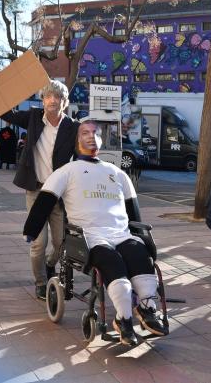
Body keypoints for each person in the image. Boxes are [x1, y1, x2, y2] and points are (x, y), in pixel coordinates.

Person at [24, 120, 169, 345]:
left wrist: (139, 233)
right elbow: (45, 201)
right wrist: (31, 230)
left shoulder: (117, 173)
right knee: (113, 262)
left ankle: (147, 309)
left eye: (95, 133)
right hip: (88, 236)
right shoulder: (66, 172)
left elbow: (133, 209)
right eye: (85, 133)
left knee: (139, 254)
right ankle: (124, 320)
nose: (91, 136)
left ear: (101, 140)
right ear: (76, 140)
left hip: (120, 233)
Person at [0, 75, 80, 300]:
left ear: (64, 101)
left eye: (57, 96)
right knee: (39, 243)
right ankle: (40, 282)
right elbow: (5, 113)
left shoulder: (72, 127)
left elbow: (79, 158)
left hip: (58, 194)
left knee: (60, 243)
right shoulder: (33, 118)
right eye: (48, 96)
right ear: (42, 99)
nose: (52, 100)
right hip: (36, 190)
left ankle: (49, 266)